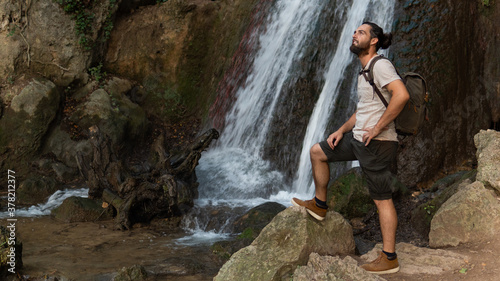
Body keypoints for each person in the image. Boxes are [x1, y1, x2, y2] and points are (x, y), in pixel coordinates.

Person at [291, 22, 409, 275]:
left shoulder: (381, 65)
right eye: (355, 32)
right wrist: (341, 130)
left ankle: (389, 258)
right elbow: (363, 109)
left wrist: (377, 128)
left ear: (374, 40)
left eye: (361, 32)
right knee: (317, 152)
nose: (354, 35)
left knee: (382, 199)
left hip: (377, 144)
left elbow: (401, 95)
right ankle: (320, 205)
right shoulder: (364, 70)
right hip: (358, 139)